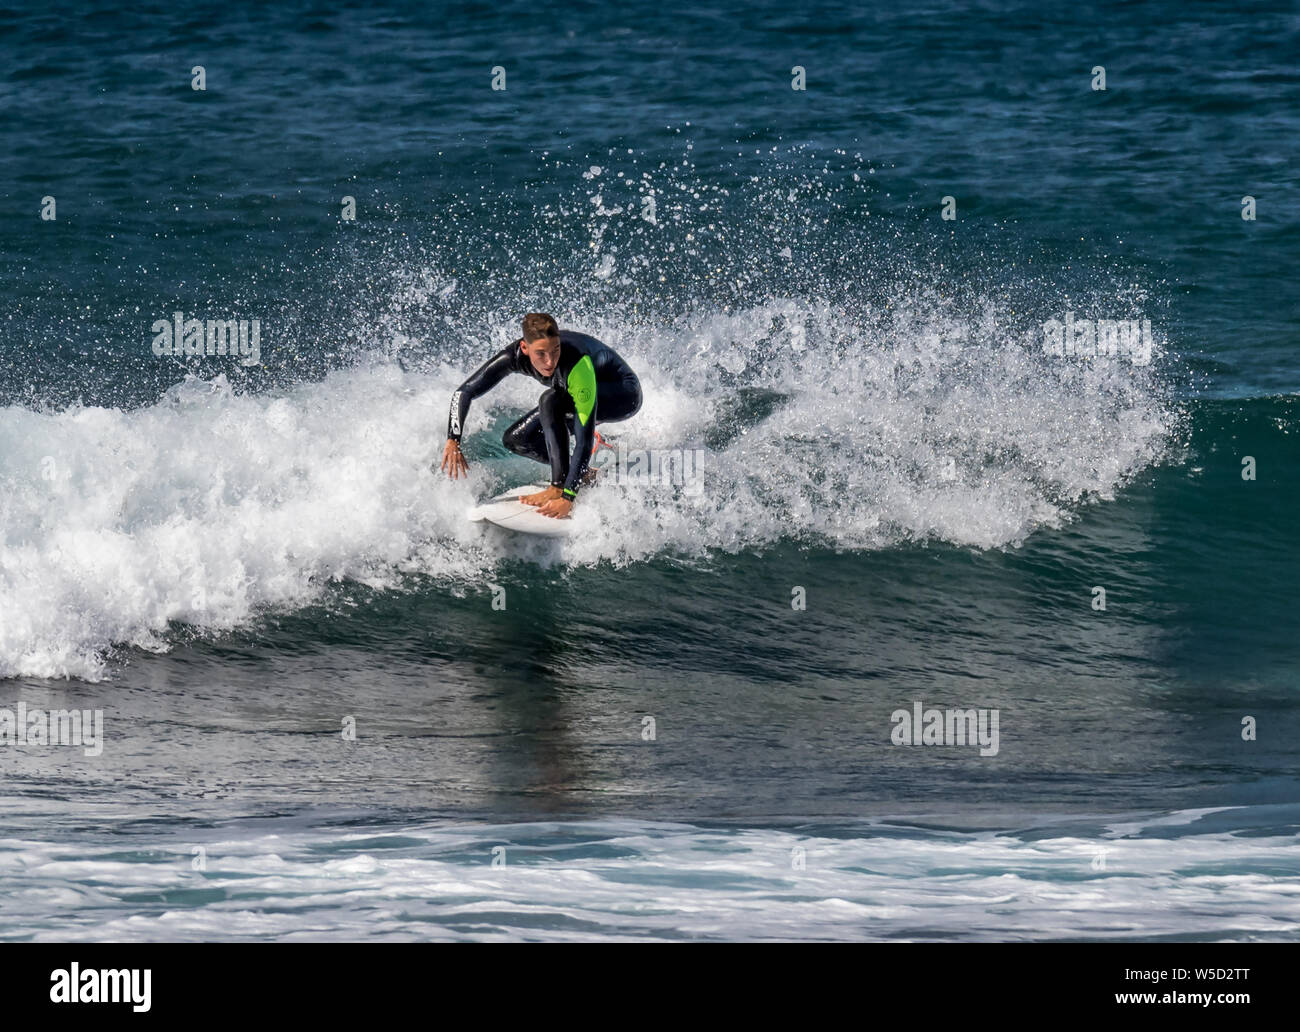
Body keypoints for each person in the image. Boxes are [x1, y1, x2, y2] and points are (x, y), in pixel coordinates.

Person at [441, 313, 642, 518]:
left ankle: (560, 485)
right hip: (583, 391)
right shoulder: (513, 357)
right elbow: (463, 392)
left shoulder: (576, 364)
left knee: (550, 400)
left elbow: (584, 439)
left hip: (623, 394)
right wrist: (453, 439)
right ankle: (586, 474)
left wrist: (567, 498)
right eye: (541, 354)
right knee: (517, 440)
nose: (550, 361)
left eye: (555, 350)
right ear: (525, 348)